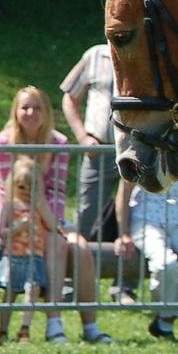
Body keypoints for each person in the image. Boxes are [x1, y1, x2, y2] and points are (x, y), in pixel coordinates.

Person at [0, 85, 112, 343]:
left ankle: (90, 326)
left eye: (37, 108)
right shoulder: (2, 142)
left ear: (47, 113)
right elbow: (7, 190)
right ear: (16, 111)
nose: (31, 113)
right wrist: (32, 222)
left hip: (50, 213)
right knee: (56, 244)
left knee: (80, 249)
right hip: (13, 217)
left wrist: (51, 223)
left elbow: (56, 190)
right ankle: (53, 322)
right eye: (25, 107)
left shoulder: (58, 143)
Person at [121, 156, 178, 341]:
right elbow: (124, 191)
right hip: (145, 219)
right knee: (166, 264)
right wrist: (124, 233)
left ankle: (165, 319)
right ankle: (165, 320)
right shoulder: (146, 143)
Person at [60, 41, 121, 242]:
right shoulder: (95, 55)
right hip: (99, 151)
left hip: (137, 151)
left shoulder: (149, 55)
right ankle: (75, 269)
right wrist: (83, 136)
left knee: (137, 217)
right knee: (85, 215)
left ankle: (129, 274)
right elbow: (69, 98)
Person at [0, 155, 55, 342]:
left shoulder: (39, 205)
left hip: (34, 256)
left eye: (31, 187)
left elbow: (52, 224)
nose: (26, 192)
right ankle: (2, 329)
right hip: (13, 256)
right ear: (13, 185)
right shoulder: (10, 205)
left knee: (32, 290)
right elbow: (1, 232)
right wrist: (17, 228)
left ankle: (24, 328)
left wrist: (42, 205)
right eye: (21, 187)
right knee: (9, 293)